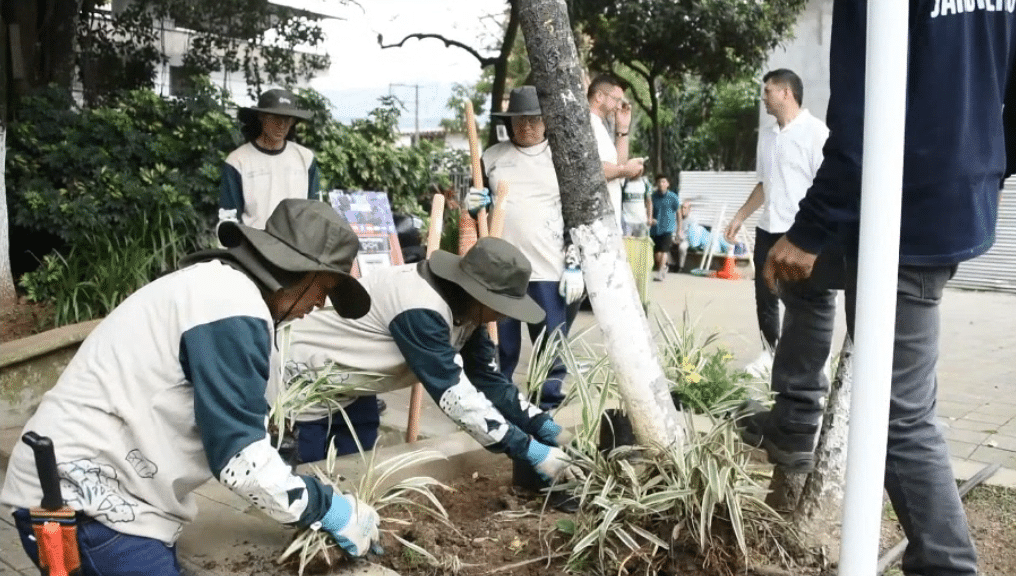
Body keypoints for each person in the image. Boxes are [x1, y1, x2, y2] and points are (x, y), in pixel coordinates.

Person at [756, 2, 1016, 574]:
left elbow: (857, 115)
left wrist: (812, 228)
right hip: (955, 196)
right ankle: (795, 423)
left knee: (898, 410)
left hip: (900, 209)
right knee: (789, 273)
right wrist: (984, 167)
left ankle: (947, 565)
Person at [2, 199, 381, 575]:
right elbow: (241, 462)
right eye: (324, 287)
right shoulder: (231, 309)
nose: (319, 303)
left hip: (86, 488)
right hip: (85, 502)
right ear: (299, 271)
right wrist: (330, 509)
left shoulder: (217, 291)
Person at [275, 237, 583, 486]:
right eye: (502, 307)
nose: (503, 316)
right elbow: (455, 396)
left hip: (353, 384)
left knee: (353, 472)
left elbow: (489, 380)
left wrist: (544, 426)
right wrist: (530, 450)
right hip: (306, 379)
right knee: (309, 471)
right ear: (479, 296)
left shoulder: (468, 312)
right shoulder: (421, 307)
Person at [473, 85, 584, 410]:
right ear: (509, 121)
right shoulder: (492, 157)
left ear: (546, 120)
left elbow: (575, 212)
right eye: (519, 119)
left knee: (550, 344)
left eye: (534, 119)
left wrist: (574, 261)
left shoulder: (561, 158)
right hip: (501, 270)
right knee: (500, 346)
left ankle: (546, 408)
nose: (526, 126)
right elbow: (472, 209)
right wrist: (471, 205)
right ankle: (499, 406)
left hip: (548, 269)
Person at [724, 70, 830, 376]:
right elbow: (764, 184)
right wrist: (740, 216)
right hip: (768, 227)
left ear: (786, 92)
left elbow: (824, 185)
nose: (763, 97)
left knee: (805, 299)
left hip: (800, 231)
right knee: (765, 295)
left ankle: (809, 364)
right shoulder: (768, 135)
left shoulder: (816, 133)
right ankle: (770, 353)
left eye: (768, 91)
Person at [220, 88, 320, 229]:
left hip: (296, 245)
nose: (282, 125)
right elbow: (229, 217)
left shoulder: (305, 158)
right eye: (276, 117)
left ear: (293, 121)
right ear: (261, 116)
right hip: (254, 245)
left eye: (287, 119)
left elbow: (315, 210)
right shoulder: (237, 161)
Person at [586, 75, 645, 229]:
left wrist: (622, 129)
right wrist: (625, 170)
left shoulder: (600, 126)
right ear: (599, 96)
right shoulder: (586, 124)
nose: (619, 106)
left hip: (608, 221)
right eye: (616, 99)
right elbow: (590, 169)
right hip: (595, 223)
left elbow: (617, 165)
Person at [677, 202, 745, 270]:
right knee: (682, 247)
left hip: (694, 239)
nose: (683, 210)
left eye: (685, 208)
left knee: (718, 238)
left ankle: (738, 248)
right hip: (687, 240)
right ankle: (681, 267)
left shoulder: (693, 220)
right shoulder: (677, 219)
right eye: (682, 208)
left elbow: (695, 239)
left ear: (689, 209)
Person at [649, 175, 681, 281]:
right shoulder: (653, 196)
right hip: (655, 229)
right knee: (657, 253)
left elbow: (678, 213)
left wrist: (678, 229)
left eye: (663, 182)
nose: (661, 184)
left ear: (667, 184)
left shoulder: (673, 197)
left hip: (668, 228)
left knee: (664, 251)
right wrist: (650, 219)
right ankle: (663, 267)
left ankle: (660, 272)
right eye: (659, 182)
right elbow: (648, 209)